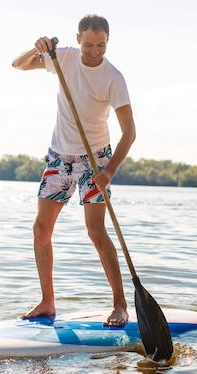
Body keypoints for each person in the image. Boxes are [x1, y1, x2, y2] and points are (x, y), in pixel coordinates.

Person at [11, 14, 136, 326]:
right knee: (41, 229)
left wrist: (110, 171)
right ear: (78, 39)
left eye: (101, 45)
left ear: (108, 42)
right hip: (59, 158)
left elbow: (130, 132)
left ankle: (120, 304)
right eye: (89, 44)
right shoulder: (61, 57)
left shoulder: (113, 78)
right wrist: (35, 48)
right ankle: (47, 302)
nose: (95, 51)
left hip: (95, 160)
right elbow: (19, 65)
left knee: (95, 231)